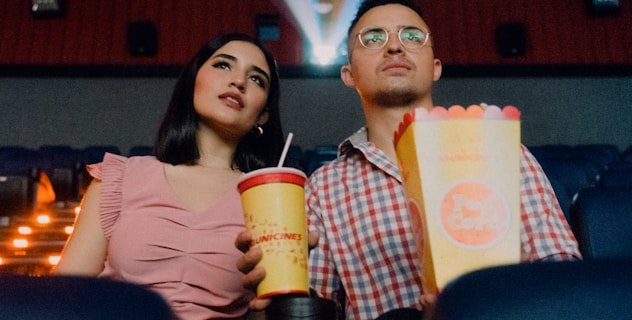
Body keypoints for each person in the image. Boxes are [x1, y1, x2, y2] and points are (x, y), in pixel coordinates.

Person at [235, 1, 581, 319]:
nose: (395, 46)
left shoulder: (503, 152)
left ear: (435, 68)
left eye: (412, 36)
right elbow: (317, 305)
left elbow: (561, 271)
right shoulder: (323, 188)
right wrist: (273, 296)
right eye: (373, 38)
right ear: (348, 74)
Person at [55, 33, 285, 319]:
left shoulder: (270, 198)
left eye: (256, 79)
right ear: (193, 82)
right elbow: (65, 299)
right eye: (224, 66)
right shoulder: (120, 179)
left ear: (262, 115)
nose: (238, 81)